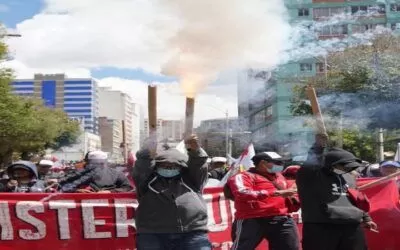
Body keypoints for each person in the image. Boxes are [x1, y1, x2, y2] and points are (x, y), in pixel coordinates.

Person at [132, 135, 211, 250]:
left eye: (174, 166)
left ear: (182, 167)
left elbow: (198, 164)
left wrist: (195, 150)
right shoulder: (146, 181)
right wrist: (146, 150)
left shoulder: (193, 180)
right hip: (152, 234)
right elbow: (142, 165)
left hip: (192, 232)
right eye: (163, 165)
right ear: (156, 166)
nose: (168, 168)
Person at [296, 148, 378, 250]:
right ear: (331, 163)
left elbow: (355, 199)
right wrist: (318, 146)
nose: (347, 169)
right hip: (322, 227)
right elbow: (310, 164)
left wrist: (366, 218)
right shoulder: (312, 175)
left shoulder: (348, 177)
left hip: (352, 226)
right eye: (344, 165)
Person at [226, 152, 300, 250]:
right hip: (251, 219)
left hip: (281, 218)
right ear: (263, 163)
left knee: (290, 247)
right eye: (278, 162)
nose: (281, 165)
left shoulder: (280, 176)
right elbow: (241, 193)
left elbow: (289, 193)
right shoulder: (243, 176)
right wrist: (274, 193)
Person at [59, 151, 133, 193]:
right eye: (94, 163)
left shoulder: (116, 174)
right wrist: (77, 191)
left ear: (105, 162)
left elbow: (127, 187)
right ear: (87, 162)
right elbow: (61, 186)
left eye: (100, 163)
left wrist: (110, 192)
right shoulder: (77, 173)